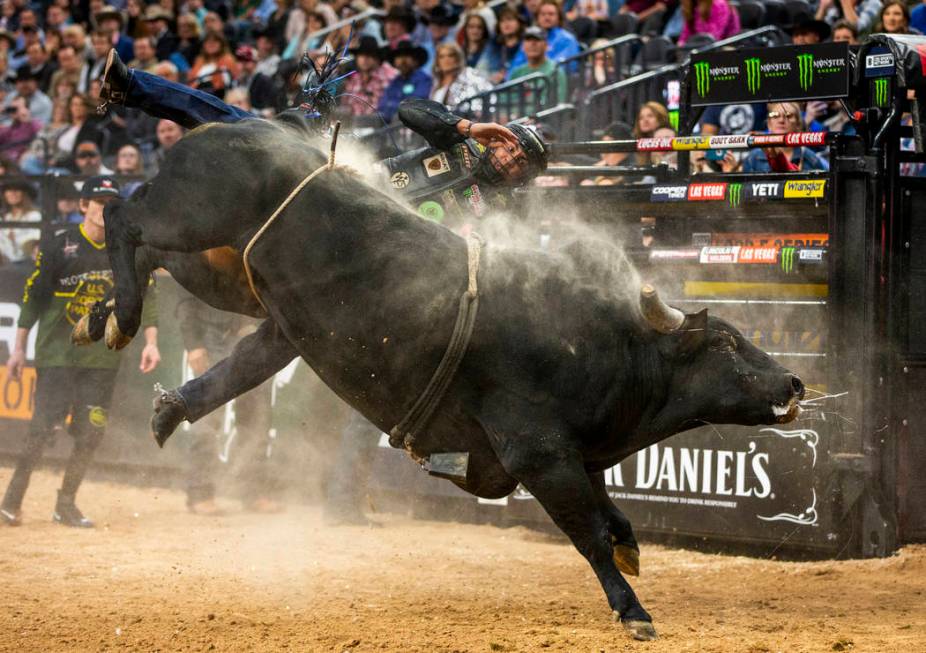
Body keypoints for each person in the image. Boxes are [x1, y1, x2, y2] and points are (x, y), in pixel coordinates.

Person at [0, 175, 160, 528]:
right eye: (99, 202)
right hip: (58, 356)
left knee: (91, 432)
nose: (106, 208)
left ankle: (66, 503)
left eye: (112, 203)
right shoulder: (60, 246)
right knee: (41, 429)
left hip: (102, 359)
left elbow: (145, 296)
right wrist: (18, 350)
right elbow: (32, 299)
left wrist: (151, 341)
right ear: (83, 206)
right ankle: (12, 500)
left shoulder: (126, 249)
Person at [176, 293, 282, 515]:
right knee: (207, 420)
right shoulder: (198, 257)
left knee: (257, 419)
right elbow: (186, 299)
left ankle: (252, 492)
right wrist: (193, 343)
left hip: (253, 337)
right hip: (211, 337)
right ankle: (199, 494)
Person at [742, 102, 829, 173]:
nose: (781, 120)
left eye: (788, 115)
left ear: (798, 125)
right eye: (775, 115)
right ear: (769, 124)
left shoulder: (812, 159)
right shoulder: (752, 158)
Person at [507, 0, 581, 72]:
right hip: (528, 81)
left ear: (559, 17)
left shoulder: (567, 39)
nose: (547, 17)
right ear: (537, 18)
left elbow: (562, 68)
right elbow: (515, 67)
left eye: (551, 14)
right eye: (543, 14)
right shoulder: (529, 39)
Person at [508, 27, 568, 107]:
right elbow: (506, 101)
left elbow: (557, 103)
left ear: (546, 46)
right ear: (522, 47)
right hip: (516, 118)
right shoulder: (517, 72)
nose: (532, 44)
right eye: (528, 40)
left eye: (537, 40)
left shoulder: (555, 71)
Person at [341, 36, 398, 117]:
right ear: (357, 58)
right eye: (361, 55)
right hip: (355, 124)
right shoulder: (354, 79)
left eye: (369, 55)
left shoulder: (389, 74)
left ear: (377, 57)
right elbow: (345, 105)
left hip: (382, 124)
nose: (364, 59)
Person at [378, 40, 433, 122]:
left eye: (407, 56)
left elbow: (416, 105)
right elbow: (382, 106)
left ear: (416, 60)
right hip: (391, 125)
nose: (403, 60)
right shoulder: (394, 82)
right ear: (394, 62)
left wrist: (392, 108)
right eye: (399, 56)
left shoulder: (424, 79)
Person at [429, 42, 492, 108]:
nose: (446, 59)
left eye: (450, 55)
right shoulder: (436, 83)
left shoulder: (469, 76)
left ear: (457, 58)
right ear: (437, 61)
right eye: (441, 56)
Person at [0, 177, 41, 263]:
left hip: (27, 265)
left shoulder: (34, 216)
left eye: (17, 190)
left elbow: (33, 242)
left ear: (25, 194)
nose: (12, 193)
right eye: (9, 190)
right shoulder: (5, 217)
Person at [816, 0, 882, 35]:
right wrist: (822, 7)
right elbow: (818, 33)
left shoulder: (873, 3)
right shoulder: (835, 6)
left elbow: (857, 28)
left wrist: (845, 3)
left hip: (862, 47)